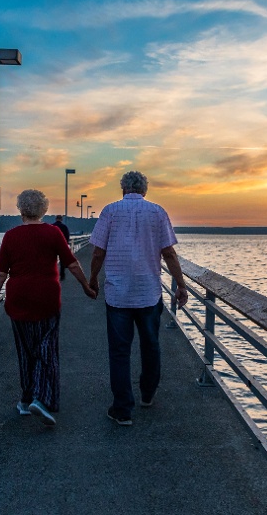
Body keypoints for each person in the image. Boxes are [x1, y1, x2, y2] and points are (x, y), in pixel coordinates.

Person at [88, 171, 188, 426]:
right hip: (148, 293)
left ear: (123, 188)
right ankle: (147, 394)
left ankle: (122, 409)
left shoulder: (110, 211)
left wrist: (92, 279)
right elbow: (169, 253)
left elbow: (98, 252)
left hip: (118, 294)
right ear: (145, 190)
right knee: (151, 345)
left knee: (119, 352)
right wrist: (181, 285)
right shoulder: (157, 212)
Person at [0, 189, 96, 427]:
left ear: (20, 210)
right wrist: (86, 287)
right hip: (47, 299)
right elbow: (72, 263)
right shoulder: (53, 233)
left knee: (25, 350)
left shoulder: (10, 236)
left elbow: (0, 274)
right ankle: (42, 398)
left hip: (18, 300)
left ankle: (27, 400)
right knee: (46, 348)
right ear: (44, 210)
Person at [52, 214, 71, 280]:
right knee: (62, 261)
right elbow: (67, 236)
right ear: (61, 219)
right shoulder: (64, 227)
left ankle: (53, 275)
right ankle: (62, 275)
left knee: (52, 260)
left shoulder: (52, 226)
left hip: (52, 245)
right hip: (61, 246)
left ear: (56, 219)